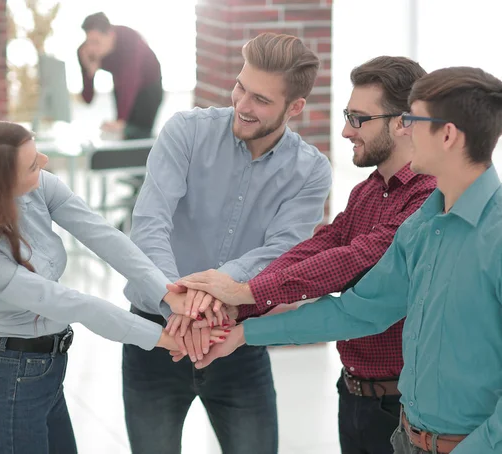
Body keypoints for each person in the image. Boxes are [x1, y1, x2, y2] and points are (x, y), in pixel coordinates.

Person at [190, 66, 502, 454]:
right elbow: (357, 313)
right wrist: (242, 335)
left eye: (414, 120)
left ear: (447, 135)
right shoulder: (421, 227)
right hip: (407, 440)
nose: (406, 130)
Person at [175, 56, 437, 454]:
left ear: (404, 122)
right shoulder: (369, 191)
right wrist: (237, 304)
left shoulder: (427, 198)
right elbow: (324, 244)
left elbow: (355, 258)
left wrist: (245, 292)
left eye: (358, 118)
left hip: (403, 406)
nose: (346, 130)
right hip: (354, 394)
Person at [0, 121, 195, 453]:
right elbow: (77, 305)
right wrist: (165, 337)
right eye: (33, 163)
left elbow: (103, 236)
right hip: (13, 384)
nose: (45, 161)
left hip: (47, 374)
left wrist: (166, 293)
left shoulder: (38, 188)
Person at [122, 33, 332, 454]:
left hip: (239, 343)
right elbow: (148, 224)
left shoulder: (310, 172)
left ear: (294, 108)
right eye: (241, 87)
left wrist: (206, 299)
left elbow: (282, 252)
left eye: (261, 100)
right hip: (155, 334)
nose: (242, 104)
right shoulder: (186, 131)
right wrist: (177, 303)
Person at [78, 12, 163, 139]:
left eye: (96, 42)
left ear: (110, 35)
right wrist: (90, 74)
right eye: (89, 41)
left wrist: (121, 120)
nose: (92, 48)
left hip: (148, 87)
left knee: (139, 134)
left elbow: (131, 80)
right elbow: (87, 99)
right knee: (122, 135)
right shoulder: (86, 52)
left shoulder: (129, 39)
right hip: (121, 86)